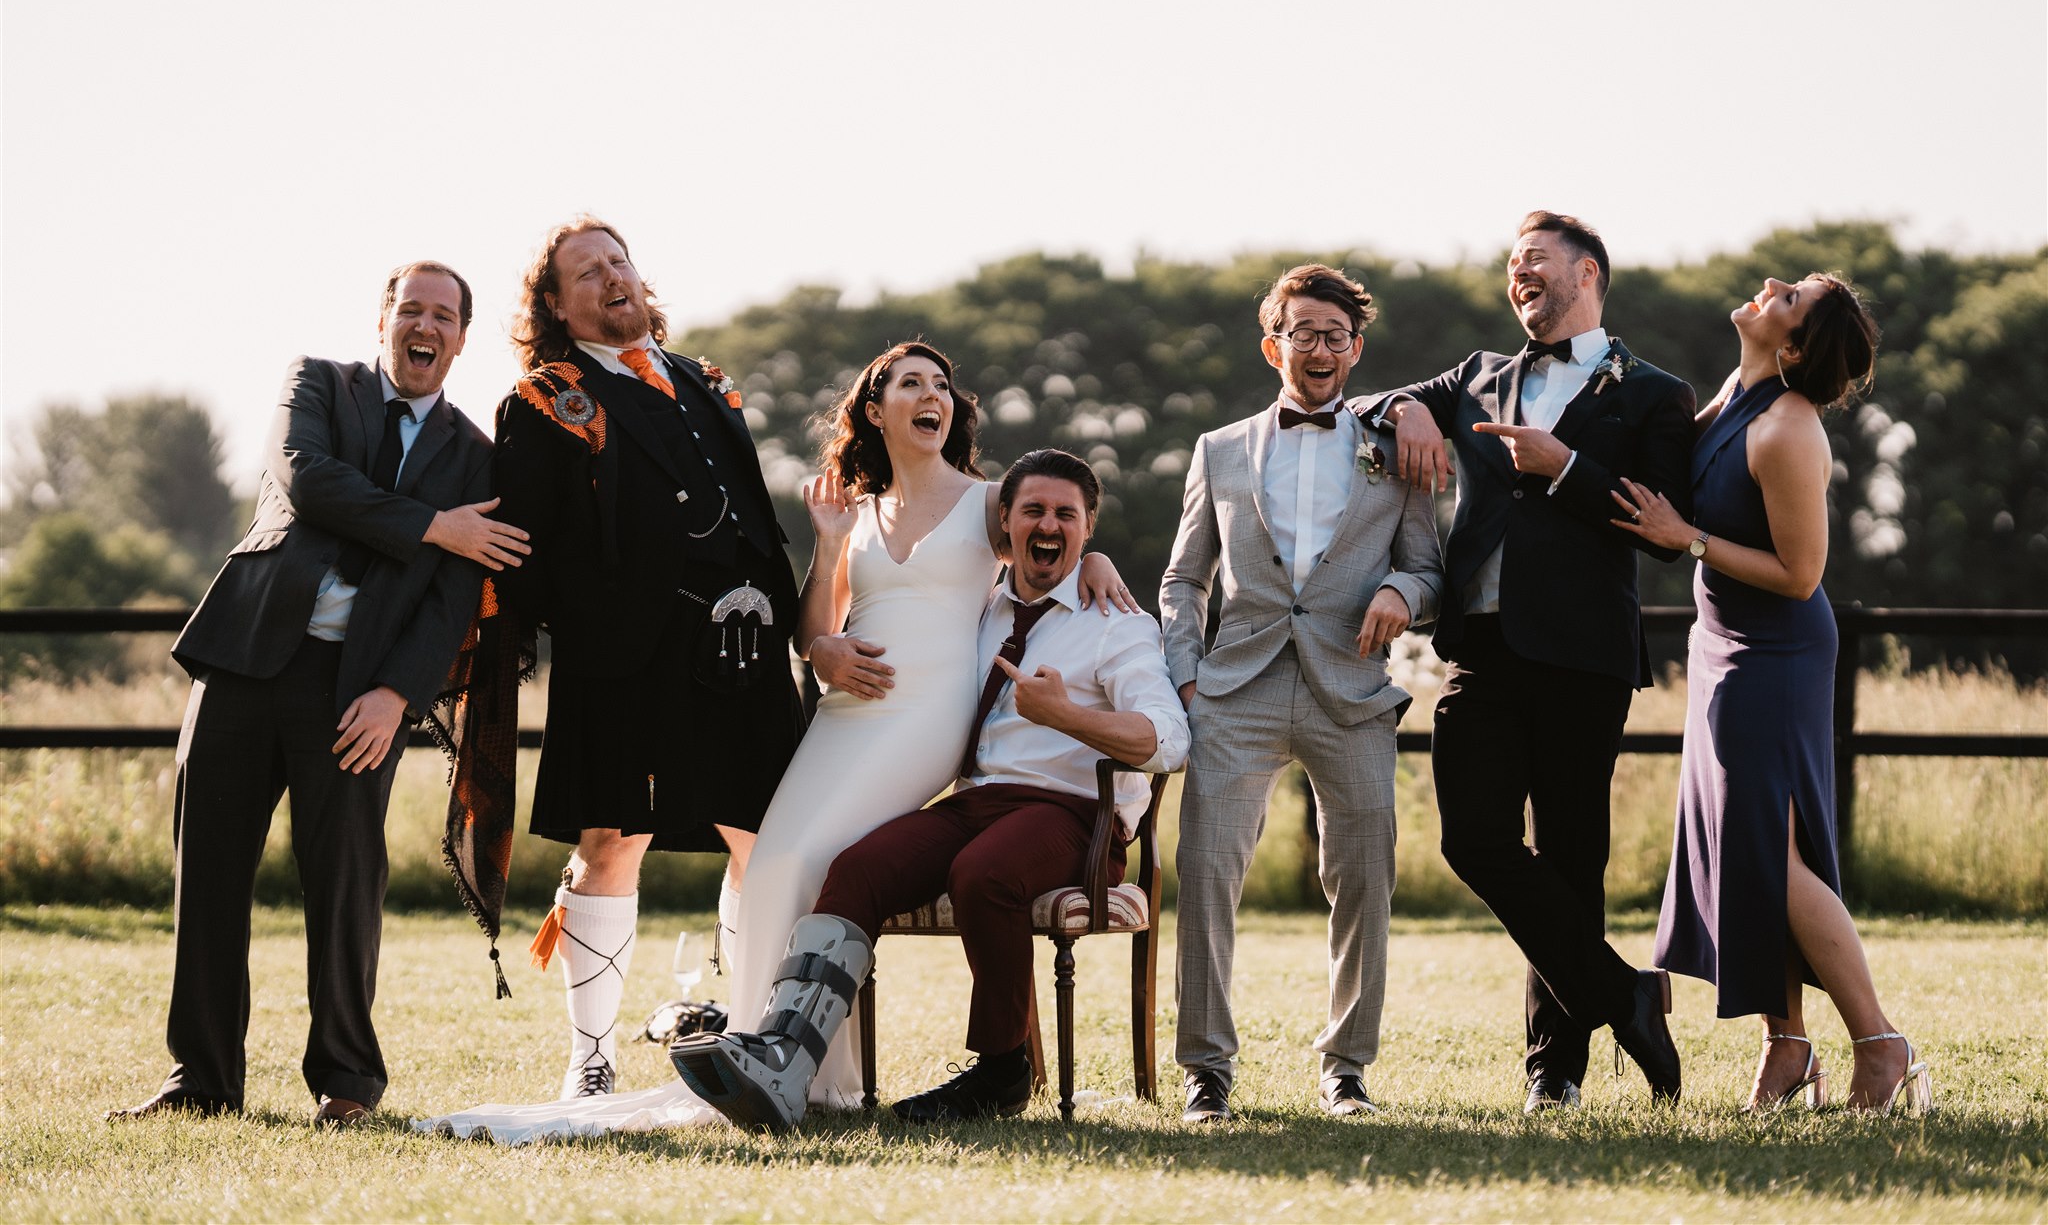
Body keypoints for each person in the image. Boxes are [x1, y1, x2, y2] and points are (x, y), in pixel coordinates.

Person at [416, 342, 1129, 1142]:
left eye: (943, 386)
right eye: (912, 383)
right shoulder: (851, 512)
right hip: (843, 719)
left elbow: (1054, 530)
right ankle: (770, 1053)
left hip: (928, 719)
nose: (935, 396)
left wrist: (1094, 555)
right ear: (875, 407)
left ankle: (795, 1064)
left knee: (803, 858)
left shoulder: (990, 500)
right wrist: (825, 582)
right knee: (777, 862)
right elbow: (813, 631)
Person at [106, 261, 522, 1127]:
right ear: (385, 320)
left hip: (357, 693)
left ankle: (346, 1085)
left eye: (444, 315)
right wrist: (434, 525)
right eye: (412, 308)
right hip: (246, 659)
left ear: (460, 339)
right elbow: (307, 481)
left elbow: (452, 602)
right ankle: (203, 1079)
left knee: (345, 887)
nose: (427, 325)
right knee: (210, 873)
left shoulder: (478, 455)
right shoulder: (319, 386)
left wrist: (396, 696)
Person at [673, 450, 1189, 1129]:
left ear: (1089, 528)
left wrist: (1067, 715)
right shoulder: (980, 611)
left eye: (1068, 514)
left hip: (1074, 817)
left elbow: (1170, 739)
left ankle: (1003, 1070)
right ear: (1004, 523)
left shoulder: (1116, 622)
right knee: (854, 867)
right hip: (975, 804)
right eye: (1033, 510)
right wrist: (824, 648)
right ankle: (786, 1055)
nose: (1049, 524)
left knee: (984, 872)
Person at [1363, 211, 1695, 1111]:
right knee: (1473, 838)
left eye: (1535, 262)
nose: (1519, 276)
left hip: (1583, 656)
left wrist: (1566, 465)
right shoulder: (1477, 376)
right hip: (1477, 648)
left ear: (1587, 273)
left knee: (1571, 856)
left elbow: (1666, 527)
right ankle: (1625, 991)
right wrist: (1402, 408)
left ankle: (1555, 1069)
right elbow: (1367, 405)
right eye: (1512, 266)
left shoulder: (1654, 391)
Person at [481, 217, 806, 1102]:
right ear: (555, 304)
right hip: (626, 657)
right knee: (611, 837)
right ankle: (592, 1057)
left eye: (618, 261)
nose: (611, 277)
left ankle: (745, 1038)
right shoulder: (547, 397)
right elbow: (528, 547)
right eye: (586, 272)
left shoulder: (707, 382)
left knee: (761, 838)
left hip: (742, 649)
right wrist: (597, 625)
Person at [1616, 274, 1927, 1113]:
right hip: (1721, 644)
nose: (1770, 286)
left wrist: (1689, 541)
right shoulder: (1737, 392)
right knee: (1742, 851)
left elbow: (1801, 575)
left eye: (1790, 298)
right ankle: (1786, 1044)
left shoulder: (1789, 429)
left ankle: (1880, 1040)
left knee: (1772, 857)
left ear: (1792, 347)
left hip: (1776, 653)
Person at [1160, 264, 1443, 1124]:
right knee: (1206, 872)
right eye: (1303, 333)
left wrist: (1402, 593)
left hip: (1351, 688)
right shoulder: (1217, 450)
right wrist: (1185, 677)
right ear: (1271, 343)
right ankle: (1206, 1070)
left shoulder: (1400, 451)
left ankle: (1346, 1068)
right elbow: (1183, 579)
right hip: (1235, 687)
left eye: (1335, 335)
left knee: (1363, 877)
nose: (1319, 348)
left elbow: (1429, 565)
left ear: (1356, 350)